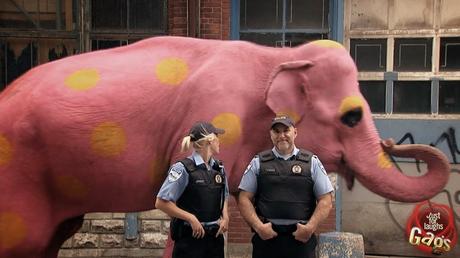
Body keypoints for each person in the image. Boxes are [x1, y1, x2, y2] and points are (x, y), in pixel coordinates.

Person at [238, 115, 334, 258]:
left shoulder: (311, 162)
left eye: (286, 130)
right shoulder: (258, 162)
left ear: (295, 132)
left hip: (301, 240)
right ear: (271, 135)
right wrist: (259, 228)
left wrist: (310, 228)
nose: (281, 136)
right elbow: (244, 198)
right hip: (267, 240)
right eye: (276, 131)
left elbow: (326, 200)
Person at [155, 121, 229, 258]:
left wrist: (225, 216)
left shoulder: (219, 169)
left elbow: (223, 196)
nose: (219, 141)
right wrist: (190, 218)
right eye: (217, 136)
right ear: (209, 140)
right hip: (190, 240)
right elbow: (161, 202)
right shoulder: (182, 168)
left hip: (214, 239)